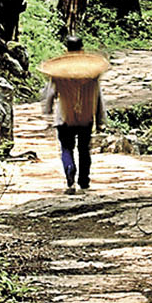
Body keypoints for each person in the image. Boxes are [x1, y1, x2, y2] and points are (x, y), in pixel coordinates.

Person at [40, 36, 107, 193]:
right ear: (82, 49)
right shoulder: (91, 72)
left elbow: (50, 93)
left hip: (64, 117)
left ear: (66, 50)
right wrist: (100, 119)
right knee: (84, 150)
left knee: (66, 148)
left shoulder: (59, 72)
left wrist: (48, 110)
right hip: (86, 117)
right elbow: (98, 97)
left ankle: (70, 171)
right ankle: (84, 181)